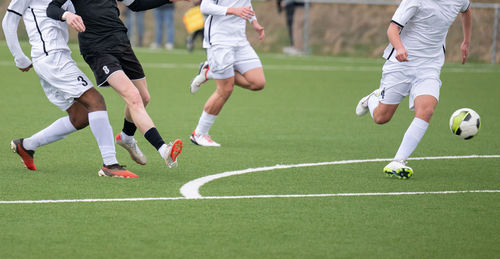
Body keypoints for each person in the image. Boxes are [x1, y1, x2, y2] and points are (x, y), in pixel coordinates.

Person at [3, 0, 137, 178]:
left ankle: (27, 145)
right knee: (95, 101)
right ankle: (110, 164)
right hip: (51, 57)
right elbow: (9, 20)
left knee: (80, 117)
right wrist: (18, 57)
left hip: (57, 57)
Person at [47, 0, 186, 168]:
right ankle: (164, 150)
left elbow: (135, 4)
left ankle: (126, 138)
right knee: (133, 96)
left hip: (120, 42)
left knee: (143, 97)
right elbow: (51, 8)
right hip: (97, 48)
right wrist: (67, 15)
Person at [355, 0, 472, 179]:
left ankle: (398, 161)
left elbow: (466, 11)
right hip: (401, 64)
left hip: (430, 66)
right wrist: (400, 48)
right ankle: (372, 98)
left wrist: (466, 41)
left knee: (426, 110)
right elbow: (392, 29)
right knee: (381, 117)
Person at [188, 0, 266, 147]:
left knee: (258, 82)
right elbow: (205, 6)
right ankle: (199, 134)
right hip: (219, 40)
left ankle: (211, 71)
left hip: (240, 40)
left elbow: (245, 3)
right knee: (225, 89)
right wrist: (232, 10)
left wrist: (254, 22)